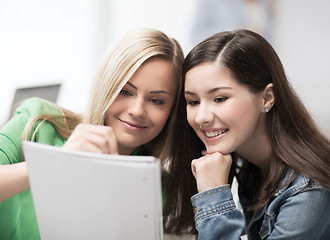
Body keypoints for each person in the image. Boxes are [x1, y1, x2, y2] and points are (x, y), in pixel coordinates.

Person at [0, 28, 184, 240]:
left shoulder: (156, 186)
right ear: (106, 87)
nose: (137, 110)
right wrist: (54, 163)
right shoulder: (37, 122)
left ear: (171, 112)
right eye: (125, 91)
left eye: (156, 100)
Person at [164, 29, 330, 239]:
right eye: (193, 102)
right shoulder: (253, 169)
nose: (201, 118)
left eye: (220, 98)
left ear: (267, 98)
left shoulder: (307, 191)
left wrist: (213, 195)